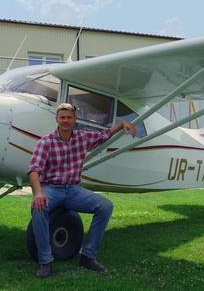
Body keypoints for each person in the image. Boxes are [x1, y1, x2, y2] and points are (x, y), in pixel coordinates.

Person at [28, 103, 136, 279]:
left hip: (72, 190)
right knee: (38, 207)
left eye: (69, 117)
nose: (65, 121)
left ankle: (88, 256)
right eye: (62, 117)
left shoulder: (82, 138)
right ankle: (46, 261)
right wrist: (39, 193)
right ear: (56, 119)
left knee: (105, 206)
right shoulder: (46, 141)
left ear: (74, 120)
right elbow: (34, 169)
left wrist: (121, 125)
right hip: (50, 188)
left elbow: (104, 136)